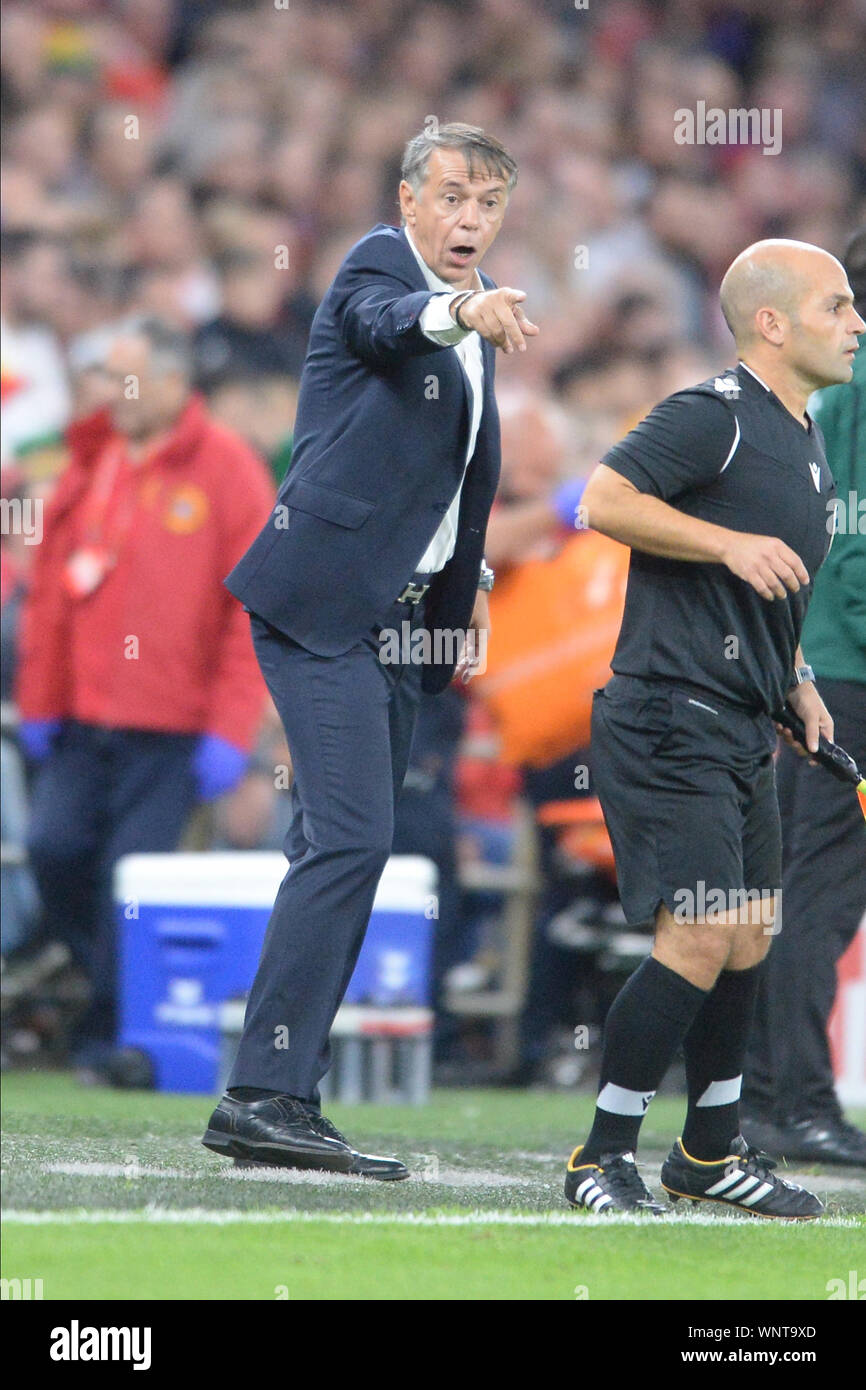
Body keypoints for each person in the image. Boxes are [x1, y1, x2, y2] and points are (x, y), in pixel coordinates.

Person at [201, 124, 539, 1179]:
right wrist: (454, 311)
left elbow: (451, 480)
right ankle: (264, 1093)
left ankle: (278, 1093)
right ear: (405, 199)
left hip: (401, 620)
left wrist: (471, 584)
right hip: (324, 600)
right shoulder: (378, 267)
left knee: (348, 843)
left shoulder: (480, 323)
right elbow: (387, 326)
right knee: (349, 838)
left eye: (487, 203)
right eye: (449, 197)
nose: (467, 220)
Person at [564, 239, 863, 1217]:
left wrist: (797, 679)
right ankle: (598, 1153)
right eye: (836, 306)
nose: (855, 324)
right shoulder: (713, 415)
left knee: (746, 938)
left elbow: (764, 598)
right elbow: (601, 498)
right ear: (770, 323)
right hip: (666, 712)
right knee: (698, 931)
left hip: (742, 720)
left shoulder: (806, 438)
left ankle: (705, 1152)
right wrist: (724, 542)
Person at [15, 317, 274, 1076]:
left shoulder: (226, 469)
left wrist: (231, 726)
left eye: (128, 381)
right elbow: (49, 598)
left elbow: (247, 606)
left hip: (171, 725)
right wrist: (39, 699)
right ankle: (117, 1001)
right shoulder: (90, 460)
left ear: (171, 381)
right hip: (80, 717)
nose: (114, 397)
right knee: (52, 851)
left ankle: (110, 1037)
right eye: (106, 380)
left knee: (132, 876)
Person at [742, 230, 866, 1165]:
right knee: (817, 892)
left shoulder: (827, 383)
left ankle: (769, 1095)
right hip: (843, 668)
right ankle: (789, 1102)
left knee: (805, 888)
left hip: (814, 657)